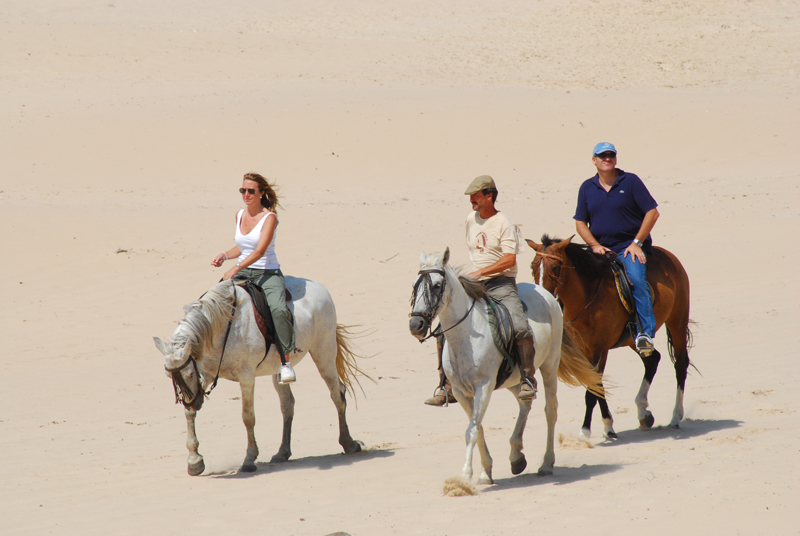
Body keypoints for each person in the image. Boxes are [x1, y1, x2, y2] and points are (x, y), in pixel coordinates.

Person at [426, 175, 537, 406]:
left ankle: (527, 379)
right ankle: (445, 385)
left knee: (519, 325)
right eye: (470, 197)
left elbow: (508, 260)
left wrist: (479, 272)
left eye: (476, 196)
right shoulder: (470, 219)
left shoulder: (505, 223)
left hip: (501, 284)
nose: (472, 201)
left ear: (489, 196)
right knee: (442, 328)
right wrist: (474, 276)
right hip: (475, 285)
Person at [211, 172, 297, 383]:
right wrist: (225, 255)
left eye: (251, 191)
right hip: (245, 270)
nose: (246, 194)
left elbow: (259, 251)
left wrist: (235, 268)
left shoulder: (270, 217)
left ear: (261, 193)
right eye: (243, 190)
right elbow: (242, 247)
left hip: (268, 273)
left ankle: (286, 363)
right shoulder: (239, 215)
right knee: (214, 299)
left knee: (278, 310)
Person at [574, 142, 660, 353]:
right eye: (602, 155)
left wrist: (636, 243)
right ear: (593, 160)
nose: (607, 158)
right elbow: (580, 222)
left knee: (637, 280)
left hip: (627, 247)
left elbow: (652, 212)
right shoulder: (587, 187)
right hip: (600, 249)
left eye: (611, 155)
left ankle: (645, 334)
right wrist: (594, 245)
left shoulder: (630, 181)